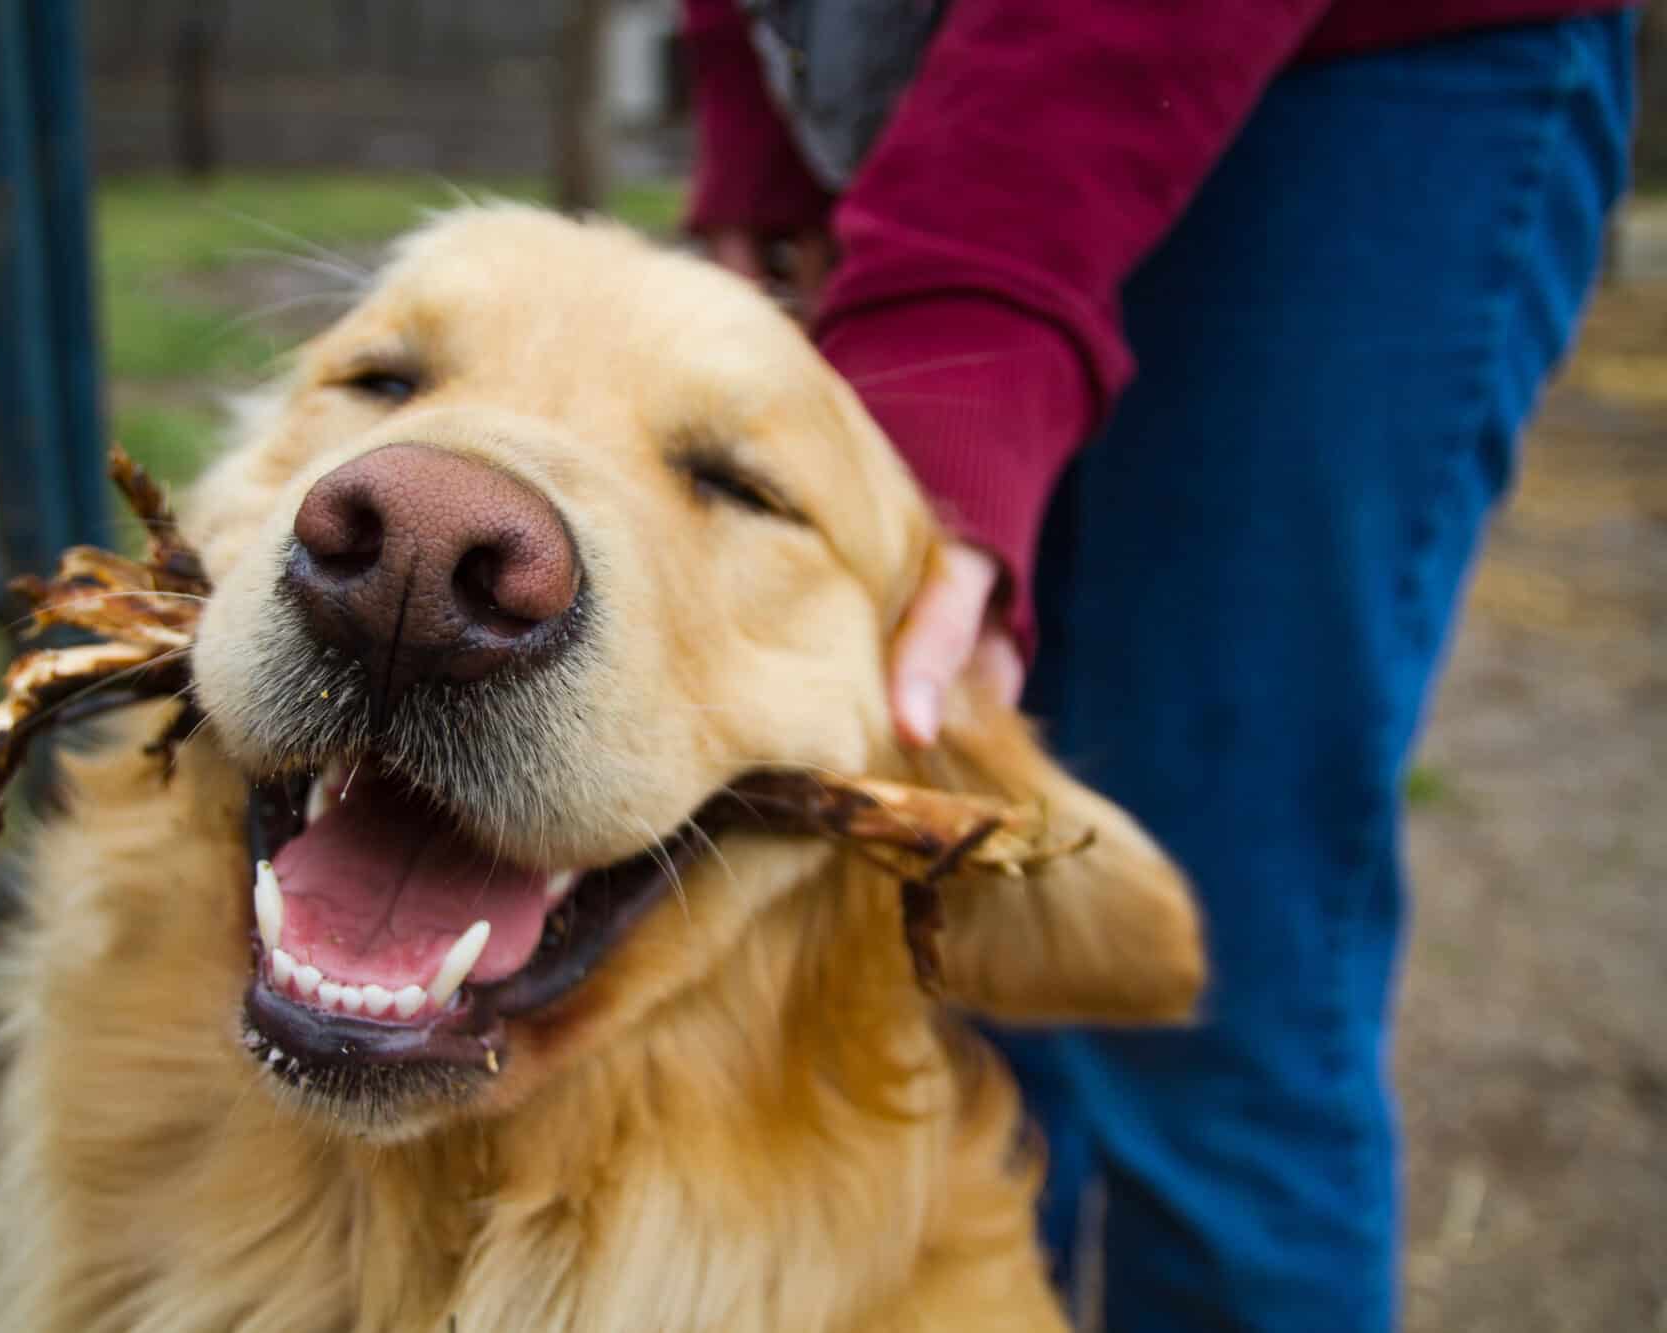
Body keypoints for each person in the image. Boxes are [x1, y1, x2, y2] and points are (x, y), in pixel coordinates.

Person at [681, 3, 1638, 1330]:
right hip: (915, 118)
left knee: (1220, 971)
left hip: (1353, 84)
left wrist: (964, 303)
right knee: (944, 941)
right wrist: (752, 106)